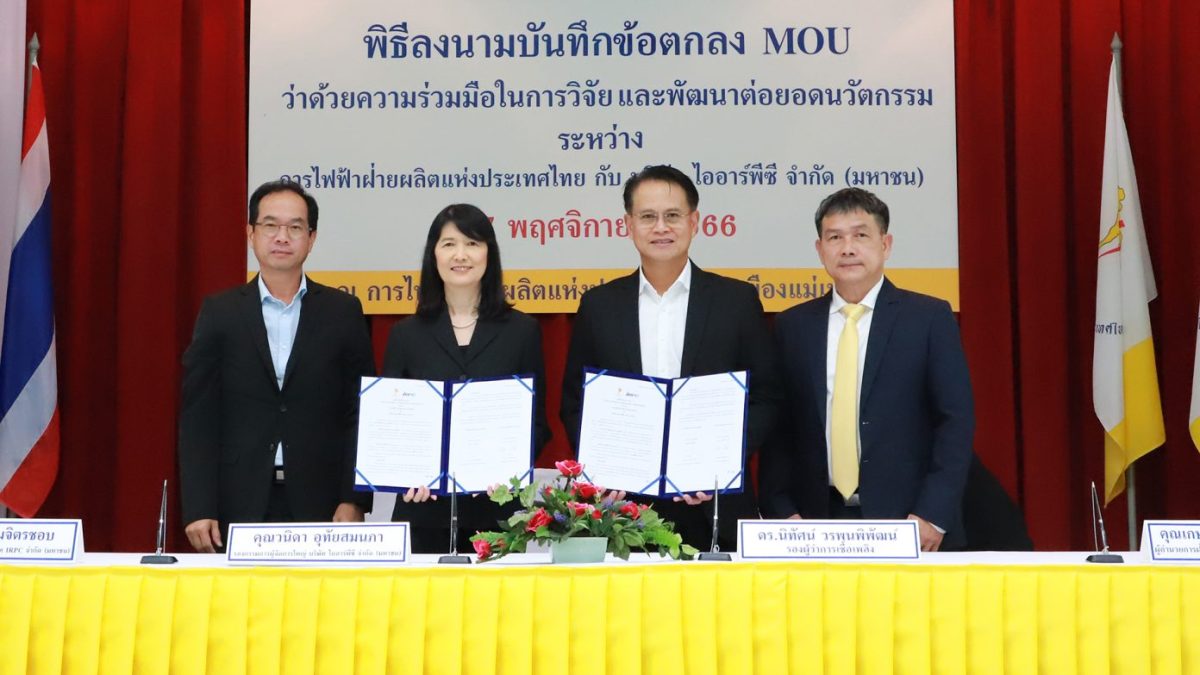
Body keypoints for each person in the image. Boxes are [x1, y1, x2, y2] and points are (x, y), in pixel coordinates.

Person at [560, 165, 779, 552]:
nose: (661, 227)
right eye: (648, 216)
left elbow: (766, 397)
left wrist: (721, 464)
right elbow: (576, 401)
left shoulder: (736, 302)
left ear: (694, 222)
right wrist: (604, 468)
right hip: (623, 512)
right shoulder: (599, 306)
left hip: (713, 505)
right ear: (628, 225)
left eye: (672, 215)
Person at [760, 187, 974, 551]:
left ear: (885, 245)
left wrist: (932, 514)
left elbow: (955, 422)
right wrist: (782, 510)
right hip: (814, 523)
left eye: (860, 235)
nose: (847, 248)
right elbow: (781, 427)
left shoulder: (928, 318)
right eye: (835, 238)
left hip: (908, 522)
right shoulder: (793, 326)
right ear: (820, 250)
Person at [178, 180, 375, 552]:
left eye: (295, 227)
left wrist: (354, 499)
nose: (282, 237)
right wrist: (199, 507)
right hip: (238, 500)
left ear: (311, 238)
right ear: (250, 234)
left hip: (322, 503)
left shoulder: (342, 313)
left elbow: (359, 412)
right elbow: (199, 417)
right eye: (270, 225)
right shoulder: (220, 313)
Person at [382, 204, 550, 553]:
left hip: (496, 511)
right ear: (434, 254)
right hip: (424, 510)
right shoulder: (405, 335)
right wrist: (405, 472)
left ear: (489, 253)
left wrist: (508, 471)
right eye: (449, 244)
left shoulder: (522, 331)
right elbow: (392, 423)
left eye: (472, 243)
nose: (461, 255)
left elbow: (536, 423)